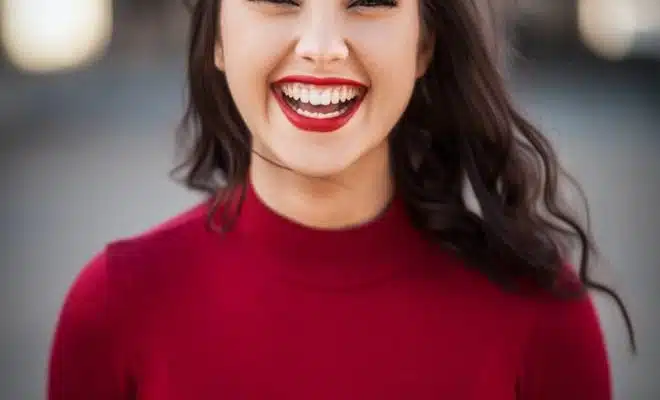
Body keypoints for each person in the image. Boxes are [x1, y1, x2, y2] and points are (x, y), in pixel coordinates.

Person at [48, 0, 635, 399]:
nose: (323, 47)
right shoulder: (114, 310)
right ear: (217, 37)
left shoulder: (542, 317)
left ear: (425, 43)